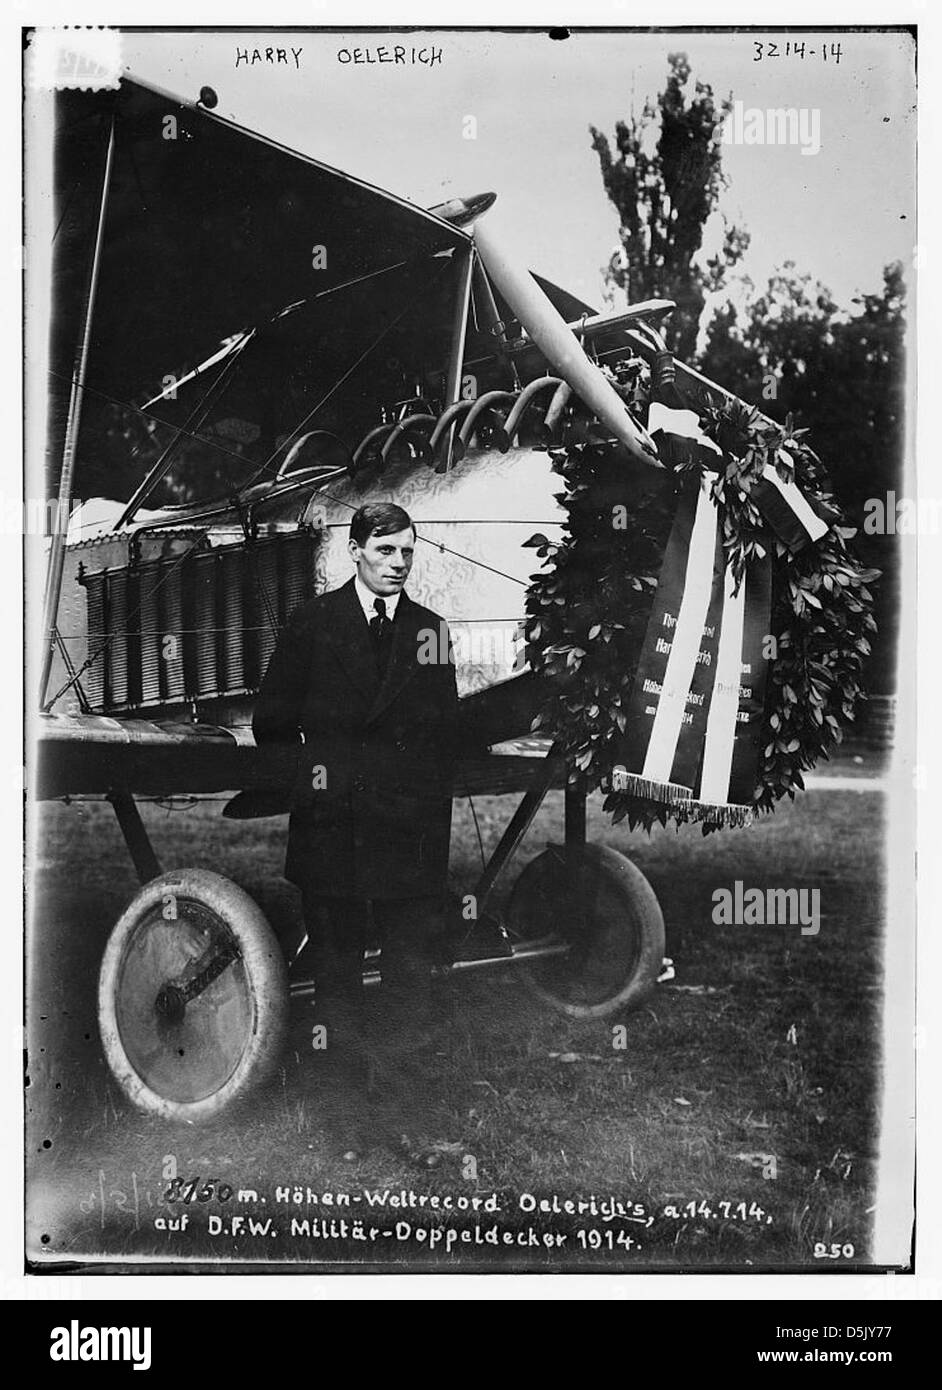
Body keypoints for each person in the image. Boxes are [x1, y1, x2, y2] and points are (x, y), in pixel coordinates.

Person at [252, 502, 459, 1160]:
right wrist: (313, 784)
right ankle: (343, 1124)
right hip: (332, 830)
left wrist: (419, 800)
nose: (398, 564)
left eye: (407, 552)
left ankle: (412, 1123)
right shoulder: (312, 624)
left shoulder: (431, 631)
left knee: (411, 982)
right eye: (386, 551)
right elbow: (271, 724)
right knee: (337, 980)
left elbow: (443, 736)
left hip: (407, 836)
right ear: (355, 551)